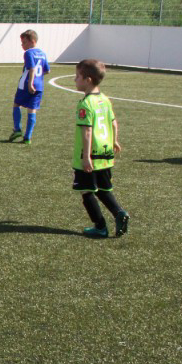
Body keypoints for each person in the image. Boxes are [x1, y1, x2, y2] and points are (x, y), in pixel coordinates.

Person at [72, 58, 129, 238]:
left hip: (90, 154)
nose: (75, 80)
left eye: (77, 76)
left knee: (87, 190)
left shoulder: (86, 104)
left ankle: (100, 227)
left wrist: (86, 157)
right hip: (106, 152)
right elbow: (113, 123)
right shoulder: (105, 100)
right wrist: (114, 141)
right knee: (104, 189)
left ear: (88, 80)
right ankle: (119, 212)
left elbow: (87, 131)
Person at [9, 29, 50, 145]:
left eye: (24, 42)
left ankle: (17, 129)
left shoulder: (28, 53)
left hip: (26, 84)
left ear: (32, 41)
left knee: (17, 104)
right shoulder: (43, 53)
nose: (22, 45)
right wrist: (37, 79)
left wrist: (30, 83)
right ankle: (28, 137)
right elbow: (47, 70)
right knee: (32, 109)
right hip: (39, 86)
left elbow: (32, 68)